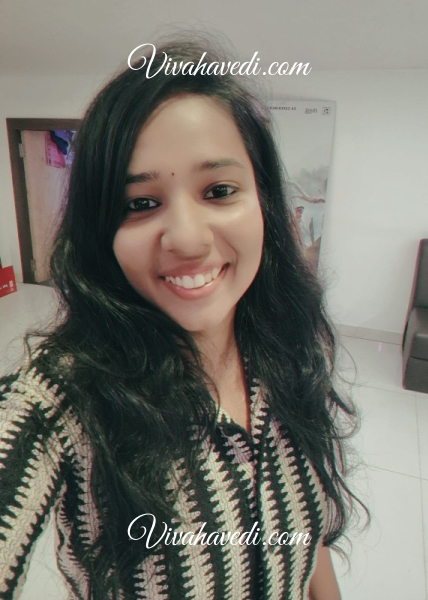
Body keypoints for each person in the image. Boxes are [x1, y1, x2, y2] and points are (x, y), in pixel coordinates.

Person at [0, 38, 365, 600]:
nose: (189, 240)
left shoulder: (289, 346)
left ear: (264, 202)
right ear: (101, 230)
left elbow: (303, 532)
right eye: (141, 203)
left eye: (219, 191)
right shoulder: (66, 400)